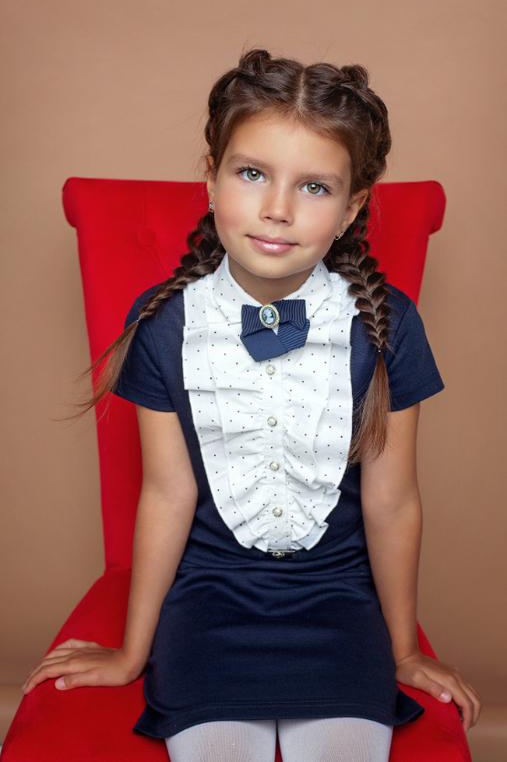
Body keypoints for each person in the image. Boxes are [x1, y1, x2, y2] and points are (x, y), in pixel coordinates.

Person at [22, 50, 481, 761]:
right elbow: (166, 493)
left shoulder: (385, 325)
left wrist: (401, 652)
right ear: (210, 178)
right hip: (208, 604)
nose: (277, 209)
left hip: (339, 603)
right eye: (252, 174)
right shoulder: (164, 324)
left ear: (352, 207)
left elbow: (392, 503)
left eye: (314, 187)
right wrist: (131, 652)